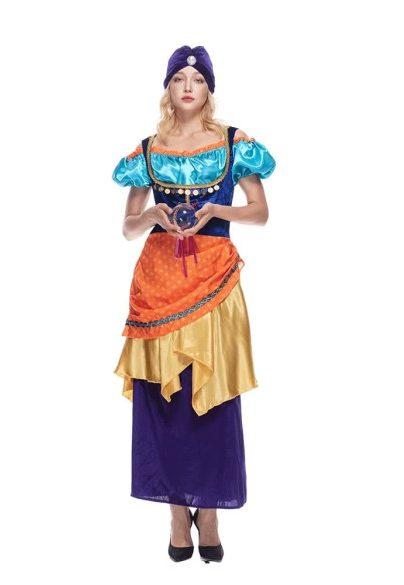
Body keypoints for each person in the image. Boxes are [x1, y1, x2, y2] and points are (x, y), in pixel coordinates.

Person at [111, 45, 276, 563]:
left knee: (211, 397)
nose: (188, 86)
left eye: (197, 79)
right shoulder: (147, 150)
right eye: (179, 79)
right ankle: (176, 512)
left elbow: (260, 212)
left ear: (208, 89)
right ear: (168, 89)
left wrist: (213, 213)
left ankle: (210, 512)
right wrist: (151, 216)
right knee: (165, 400)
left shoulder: (231, 143)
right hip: (157, 284)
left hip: (215, 282)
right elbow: (127, 228)